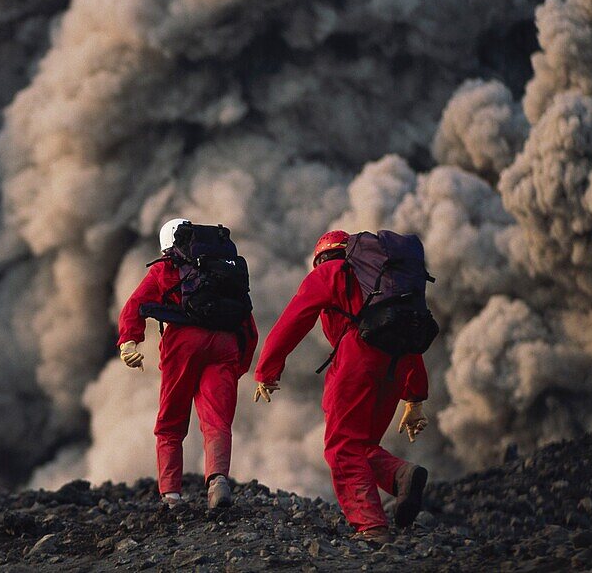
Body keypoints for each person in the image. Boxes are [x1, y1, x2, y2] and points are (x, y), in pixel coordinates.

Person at [253, 230, 430, 544]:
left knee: (342, 447)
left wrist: (267, 369)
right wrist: (414, 397)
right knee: (361, 446)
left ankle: (371, 527)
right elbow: (406, 337)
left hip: (356, 360)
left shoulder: (330, 272)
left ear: (321, 257)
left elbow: (294, 319)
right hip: (396, 365)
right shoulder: (383, 284)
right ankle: (400, 474)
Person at [117, 218, 259, 510]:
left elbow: (135, 306)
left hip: (183, 343)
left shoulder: (165, 269)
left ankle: (171, 495)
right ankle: (217, 480)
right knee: (217, 420)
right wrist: (238, 368)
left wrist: (128, 342)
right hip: (225, 344)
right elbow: (249, 326)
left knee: (170, 423)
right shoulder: (223, 271)